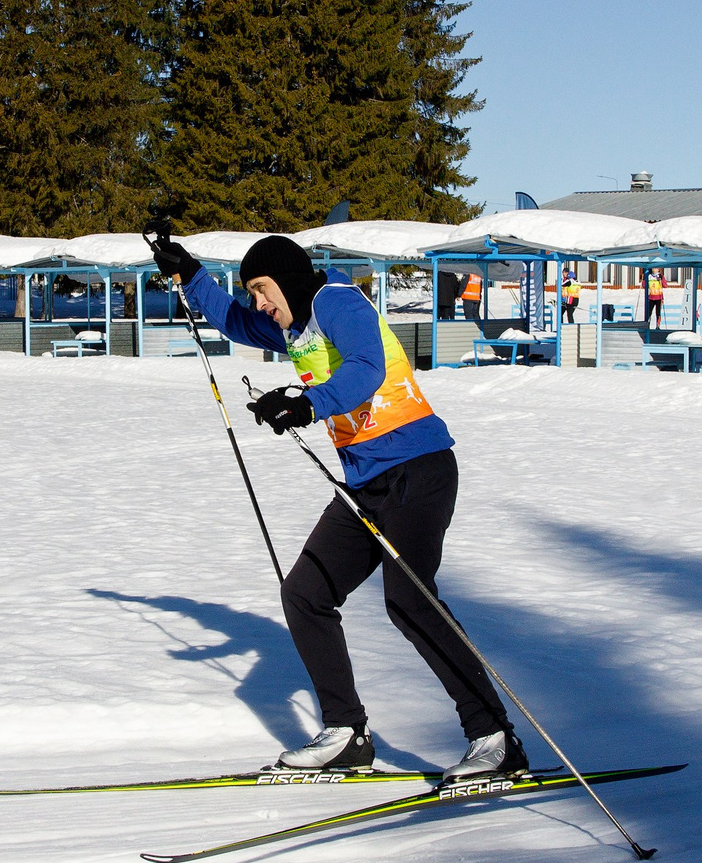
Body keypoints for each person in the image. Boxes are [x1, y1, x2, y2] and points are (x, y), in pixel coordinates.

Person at [149, 229, 528, 783]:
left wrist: (307, 403)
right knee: (305, 593)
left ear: (287, 279)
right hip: (366, 482)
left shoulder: (336, 301)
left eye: (262, 288)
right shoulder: (295, 327)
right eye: (253, 291)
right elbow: (233, 321)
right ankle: (347, 734)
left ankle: (494, 738)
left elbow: (367, 366)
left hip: (417, 469)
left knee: (410, 600)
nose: (259, 302)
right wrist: (192, 273)